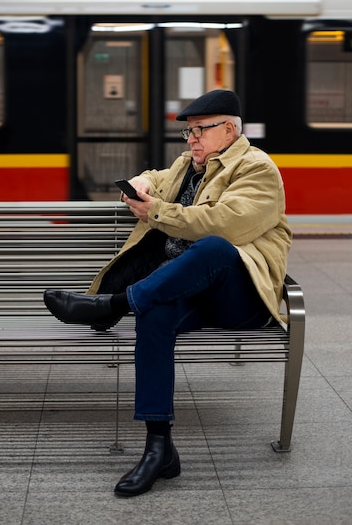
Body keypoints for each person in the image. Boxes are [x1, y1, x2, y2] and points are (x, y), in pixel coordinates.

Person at [44, 89, 292, 498]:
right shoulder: (189, 164)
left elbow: (225, 225)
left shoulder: (257, 169)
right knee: (154, 312)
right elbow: (159, 178)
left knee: (214, 246)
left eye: (199, 131)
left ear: (229, 130)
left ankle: (115, 304)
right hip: (189, 290)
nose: (191, 139)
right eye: (188, 133)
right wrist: (141, 183)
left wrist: (156, 211)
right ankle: (159, 448)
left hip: (241, 297)